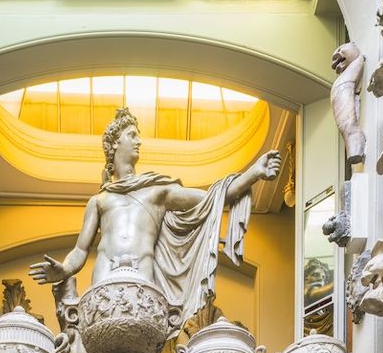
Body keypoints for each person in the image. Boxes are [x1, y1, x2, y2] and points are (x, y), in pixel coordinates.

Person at [29, 107, 281, 330]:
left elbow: (210, 198)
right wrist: (63, 270)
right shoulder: (99, 200)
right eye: (132, 135)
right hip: (105, 277)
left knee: (137, 349)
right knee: (102, 348)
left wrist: (252, 174)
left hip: (143, 280)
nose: (139, 141)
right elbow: (80, 250)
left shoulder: (156, 191)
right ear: (114, 143)